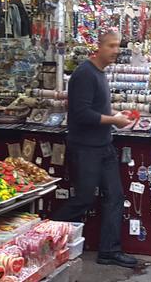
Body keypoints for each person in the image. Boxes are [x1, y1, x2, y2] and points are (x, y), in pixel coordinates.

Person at [51, 30, 137, 268]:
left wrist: (115, 115)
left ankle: (109, 250)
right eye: (111, 46)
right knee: (84, 199)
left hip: (103, 145)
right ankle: (46, 232)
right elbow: (81, 114)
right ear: (98, 47)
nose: (115, 50)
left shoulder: (99, 73)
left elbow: (97, 108)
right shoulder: (85, 74)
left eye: (117, 45)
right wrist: (114, 121)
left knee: (115, 196)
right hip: (86, 147)